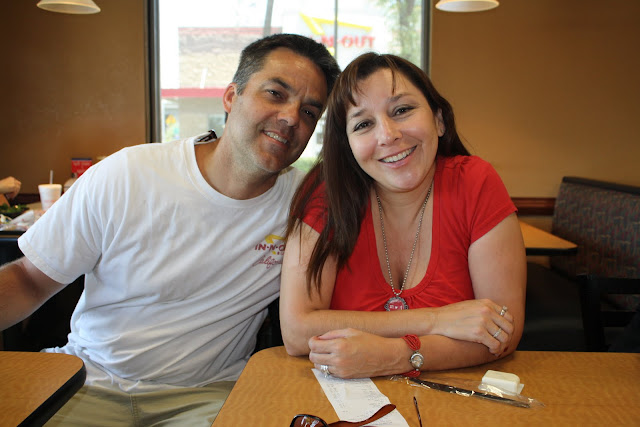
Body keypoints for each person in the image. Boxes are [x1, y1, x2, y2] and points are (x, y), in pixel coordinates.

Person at [0, 34, 339, 425]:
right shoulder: (129, 174)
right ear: (231, 97)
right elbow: (29, 279)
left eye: (309, 111)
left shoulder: (306, 205)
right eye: (275, 94)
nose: (292, 118)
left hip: (208, 396)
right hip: (89, 381)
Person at [280, 52, 526, 379]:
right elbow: (297, 332)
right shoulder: (325, 194)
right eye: (363, 124)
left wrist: (395, 355)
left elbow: (502, 332)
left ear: (439, 120)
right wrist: (436, 320)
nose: (388, 135)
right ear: (348, 145)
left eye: (402, 110)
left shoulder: (475, 182)